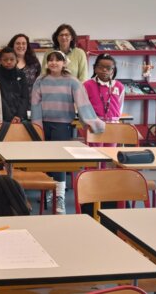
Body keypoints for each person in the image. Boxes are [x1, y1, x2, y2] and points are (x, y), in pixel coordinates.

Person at [31, 50, 105, 214]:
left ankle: (60, 197)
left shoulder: (72, 81)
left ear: (64, 63)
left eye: (58, 60)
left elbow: (83, 103)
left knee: (60, 161)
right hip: (44, 124)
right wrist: (37, 126)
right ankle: (50, 190)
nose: (53, 63)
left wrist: (92, 122)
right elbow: (35, 104)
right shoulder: (40, 81)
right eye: (50, 60)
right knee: (46, 160)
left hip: (63, 124)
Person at [83, 54, 125, 146]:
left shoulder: (119, 86)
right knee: (95, 151)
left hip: (113, 125)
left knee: (110, 151)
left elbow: (120, 105)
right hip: (94, 124)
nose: (104, 70)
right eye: (100, 67)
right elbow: (84, 107)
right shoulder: (87, 85)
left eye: (108, 68)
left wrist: (115, 119)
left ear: (113, 70)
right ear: (94, 68)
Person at [0, 47, 29, 123]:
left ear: (16, 60)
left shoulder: (21, 75)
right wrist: (10, 117)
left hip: (20, 118)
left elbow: (25, 97)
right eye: (5, 60)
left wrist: (19, 115)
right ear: (0, 60)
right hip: (2, 118)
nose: (9, 62)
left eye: (12, 59)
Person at [8, 33, 41, 98]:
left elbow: (38, 83)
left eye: (24, 43)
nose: (21, 46)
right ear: (13, 46)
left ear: (27, 46)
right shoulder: (5, 62)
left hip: (30, 101)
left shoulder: (34, 63)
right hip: (9, 102)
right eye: (18, 43)